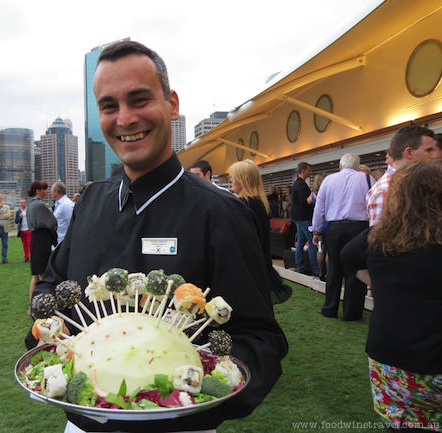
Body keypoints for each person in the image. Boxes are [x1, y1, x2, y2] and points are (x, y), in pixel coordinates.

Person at [25, 40, 287, 433]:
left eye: (139, 99)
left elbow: (259, 337)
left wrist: (195, 401)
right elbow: (52, 286)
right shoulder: (91, 200)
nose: (125, 119)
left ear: (173, 104)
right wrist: (46, 348)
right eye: (109, 106)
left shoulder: (221, 214)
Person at [340, 162, 442, 432]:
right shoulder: (380, 235)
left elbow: (347, 256)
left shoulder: (379, 235)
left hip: (389, 360)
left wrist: (379, 283)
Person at [311, 153, 374, 321]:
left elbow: (320, 209)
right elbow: (374, 204)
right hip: (360, 228)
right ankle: (352, 313)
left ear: (340, 165)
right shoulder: (368, 179)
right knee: (356, 268)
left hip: (334, 228)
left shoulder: (329, 180)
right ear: (358, 165)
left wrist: (316, 231)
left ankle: (329, 308)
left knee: (334, 268)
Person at [229, 160, 292, 305]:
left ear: (243, 179)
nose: (231, 180)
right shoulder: (255, 201)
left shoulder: (247, 203)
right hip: (255, 265)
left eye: (234, 176)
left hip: (249, 267)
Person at [367, 126, 435, 225]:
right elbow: (381, 237)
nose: (433, 155)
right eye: (429, 150)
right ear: (409, 153)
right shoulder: (386, 190)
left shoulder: (417, 181)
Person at [26, 181, 57, 316]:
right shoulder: (39, 205)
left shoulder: (30, 204)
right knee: (43, 275)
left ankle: (32, 307)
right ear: (38, 190)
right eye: (45, 189)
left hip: (35, 239)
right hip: (42, 240)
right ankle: (44, 306)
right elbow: (52, 221)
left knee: (36, 275)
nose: (46, 191)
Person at [291, 162, 319, 276]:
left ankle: (300, 267)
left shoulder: (296, 184)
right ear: (303, 171)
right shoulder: (302, 185)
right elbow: (304, 202)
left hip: (297, 217)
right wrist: (312, 200)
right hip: (304, 217)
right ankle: (316, 269)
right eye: (309, 170)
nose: (310, 172)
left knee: (301, 242)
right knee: (312, 241)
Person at [307, 172, 329, 280]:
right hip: (328, 222)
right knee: (329, 251)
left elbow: (308, 201)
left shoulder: (313, 194)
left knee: (320, 249)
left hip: (318, 223)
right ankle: (329, 274)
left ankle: (321, 273)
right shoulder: (329, 193)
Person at [50, 182, 75, 248]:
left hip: (64, 245)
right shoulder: (59, 205)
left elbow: (72, 224)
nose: (50, 193)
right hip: (58, 244)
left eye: (51, 191)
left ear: (56, 192)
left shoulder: (66, 205)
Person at [15, 198, 31, 263]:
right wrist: (19, 217)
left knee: (29, 243)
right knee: (24, 243)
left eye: (24, 202)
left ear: (26, 203)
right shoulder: (18, 212)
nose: (22, 204)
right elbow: (16, 221)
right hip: (22, 229)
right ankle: (26, 257)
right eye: (21, 203)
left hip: (28, 229)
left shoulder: (29, 210)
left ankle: (32, 256)